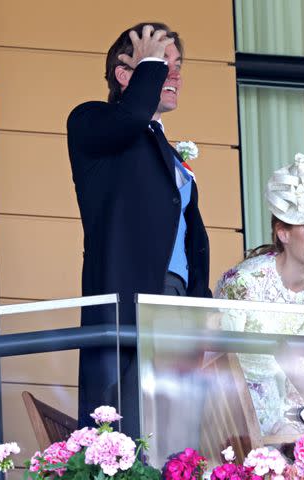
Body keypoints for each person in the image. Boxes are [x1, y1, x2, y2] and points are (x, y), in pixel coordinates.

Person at [67, 22, 211, 436]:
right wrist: (151, 65)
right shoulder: (92, 121)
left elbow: (187, 237)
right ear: (126, 74)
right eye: (162, 65)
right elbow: (129, 117)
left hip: (179, 302)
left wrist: (204, 308)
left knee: (178, 429)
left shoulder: (160, 146)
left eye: (177, 65)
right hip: (137, 297)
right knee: (136, 426)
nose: (176, 75)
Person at [215, 152, 304, 435]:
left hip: (299, 409)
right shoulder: (244, 281)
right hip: (240, 415)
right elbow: (220, 361)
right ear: (283, 233)